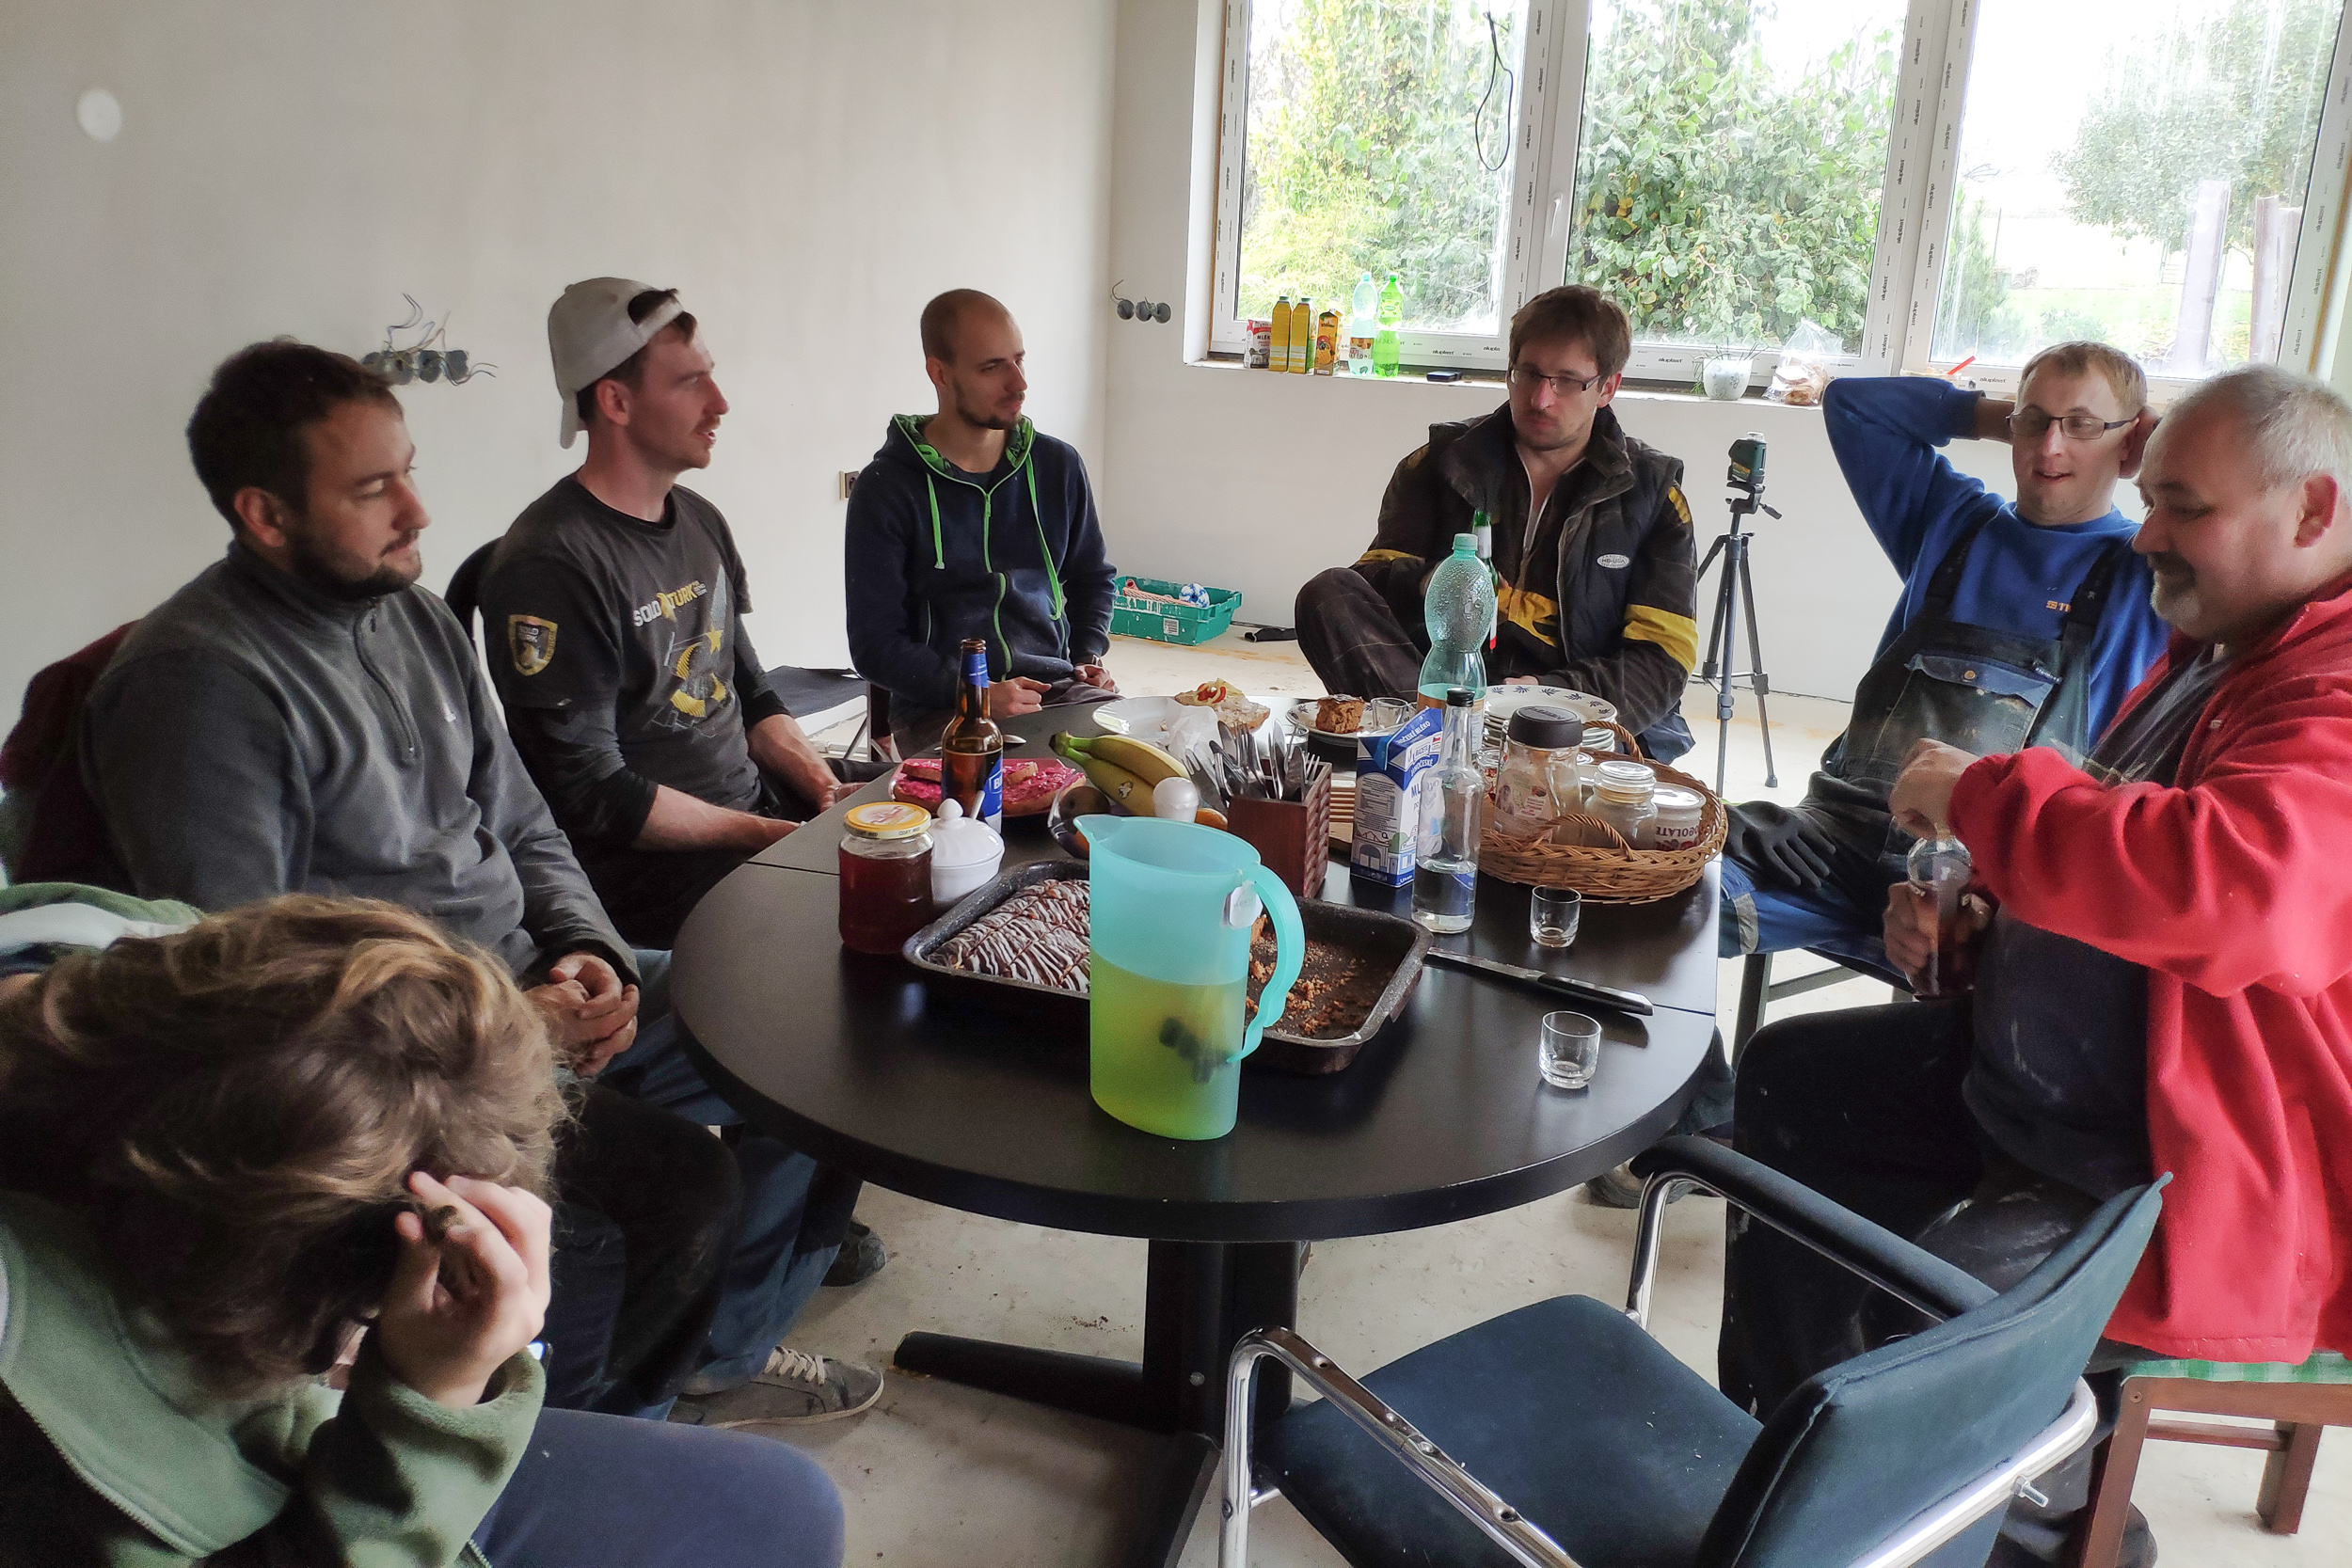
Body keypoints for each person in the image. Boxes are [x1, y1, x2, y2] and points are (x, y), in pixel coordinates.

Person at [80, 340, 880, 1426]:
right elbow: (250, 998)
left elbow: (522, 817)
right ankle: (569, 1450)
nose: (417, 509)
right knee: (676, 1189)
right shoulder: (200, 689)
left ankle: (718, 1354)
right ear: (265, 515)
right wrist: (503, 1024)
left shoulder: (409, 613)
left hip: (528, 986)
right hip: (408, 1068)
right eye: (373, 487)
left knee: (817, 1039)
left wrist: (587, 951)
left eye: (408, 470)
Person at [1719, 365, 2352, 1567]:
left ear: (2311, 509)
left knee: (1924, 1338)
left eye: (2182, 507)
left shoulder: (2331, 685)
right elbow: (2120, 860)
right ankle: (1789, 1472)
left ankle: (2031, 1526)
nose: (2146, 534)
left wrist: (1985, 794)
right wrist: (1977, 927)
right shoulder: (2222, 645)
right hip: (2072, 1089)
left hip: (2186, 1155)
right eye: (2151, 502)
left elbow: (2238, 891)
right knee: (1793, 1082)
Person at [0, 895, 844, 1568]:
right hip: (289, 1519)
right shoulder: (50, 1429)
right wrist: (427, 1406)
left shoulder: (123, 940)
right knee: (781, 1512)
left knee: (782, 1501)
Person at [1717, 343, 2169, 965]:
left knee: (2011, 996)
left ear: (2129, 442)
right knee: (1664, 893)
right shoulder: (1950, 523)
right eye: (2034, 421)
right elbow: (1853, 407)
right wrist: (1996, 418)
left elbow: (2243, 477)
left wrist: (2160, 442)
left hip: (1984, 889)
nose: (2050, 448)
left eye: (2082, 425)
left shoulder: (2147, 573)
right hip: (1829, 846)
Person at [480, 279, 879, 954]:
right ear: (616, 401)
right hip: (660, 878)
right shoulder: (550, 565)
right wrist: (767, 837)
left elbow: (750, 692)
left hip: (758, 815)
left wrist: (822, 788)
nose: (719, 403)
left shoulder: (698, 519)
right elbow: (593, 792)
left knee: (950, 822)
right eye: (691, 382)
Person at [1294, 285, 1699, 760]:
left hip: (1567, 716)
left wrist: (1543, 697)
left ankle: (1434, 754)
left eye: (1567, 381)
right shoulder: (1440, 464)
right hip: (1438, 687)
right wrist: (1431, 581)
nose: (1541, 399)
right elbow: (1369, 585)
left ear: (1607, 387)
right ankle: (1444, 747)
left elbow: (1663, 659)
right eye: (1529, 374)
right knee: (1327, 594)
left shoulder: (1654, 496)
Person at [845, 288, 1120, 757]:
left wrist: (1086, 655)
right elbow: (875, 645)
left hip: (1055, 688)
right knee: (1017, 791)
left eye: (1019, 360)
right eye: (992, 368)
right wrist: (978, 693)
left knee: (1154, 772)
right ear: (940, 373)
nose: (1019, 384)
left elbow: (1093, 577)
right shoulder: (887, 487)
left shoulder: (1058, 466)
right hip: (942, 708)